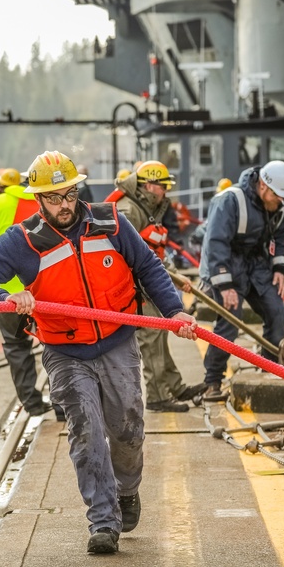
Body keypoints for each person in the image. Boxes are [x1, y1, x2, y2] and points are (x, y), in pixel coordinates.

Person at [0, 150, 197, 555]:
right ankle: (103, 520)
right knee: (85, 433)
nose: (64, 205)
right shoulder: (22, 241)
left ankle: (127, 491)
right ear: (38, 200)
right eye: (54, 198)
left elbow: (149, 268)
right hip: (65, 351)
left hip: (118, 340)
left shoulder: (111, 222)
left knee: (128, 429)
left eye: (69, 195)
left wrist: (174, 311)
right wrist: (6, 296)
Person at [109, 162, 207, 412]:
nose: (165, 192)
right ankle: (157, 396)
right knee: (151, 338)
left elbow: (151, 253)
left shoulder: (145, 206)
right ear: (150, 186)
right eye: (163, 187)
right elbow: (127, 257)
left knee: (161, 334)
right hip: (135, 288)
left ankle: (174, 386)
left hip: (146, 283)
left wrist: (174, 276)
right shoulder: (129, 210)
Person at [198, 160, 284, 402]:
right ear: (263, 186)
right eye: (277, 195)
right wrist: (225, 285)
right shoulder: (229, 201)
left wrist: (279, 267)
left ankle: (269, 369)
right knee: (231, 321)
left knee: (277, 314)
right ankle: (212, 380)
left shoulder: (278, 206)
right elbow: (215, 243)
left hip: (256, 264)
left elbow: (281, 237)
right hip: (227, 264)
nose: (281, 201)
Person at [0, 168, 55, 417]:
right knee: (58, 343)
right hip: (45, 288)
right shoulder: (48, 200)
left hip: (8, 293)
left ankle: (32, 403)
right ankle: (63, 404)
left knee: (17, 346)